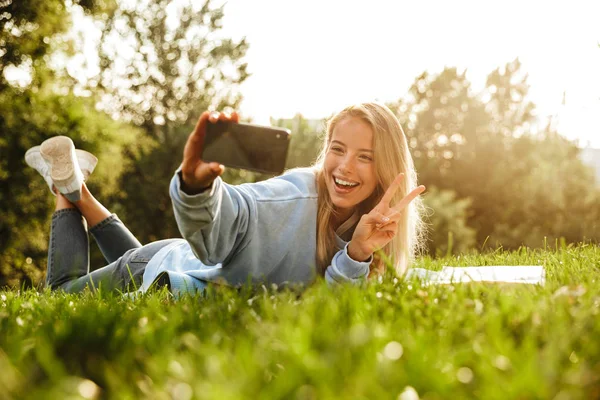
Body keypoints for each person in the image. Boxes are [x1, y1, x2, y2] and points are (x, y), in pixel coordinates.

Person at [25, 102, 427, 295]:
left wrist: (357, 252)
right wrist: (198, 189)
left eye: (365, 157)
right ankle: (67, 190)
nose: (344, 167)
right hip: (174, 263)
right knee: (61, 291)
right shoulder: (294, 195)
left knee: (133, 258)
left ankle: (77, 186)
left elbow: (332, 301)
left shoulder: (378, 226)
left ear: (386, 168)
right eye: (337, 149)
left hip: (176, 258)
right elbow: (240, 211)